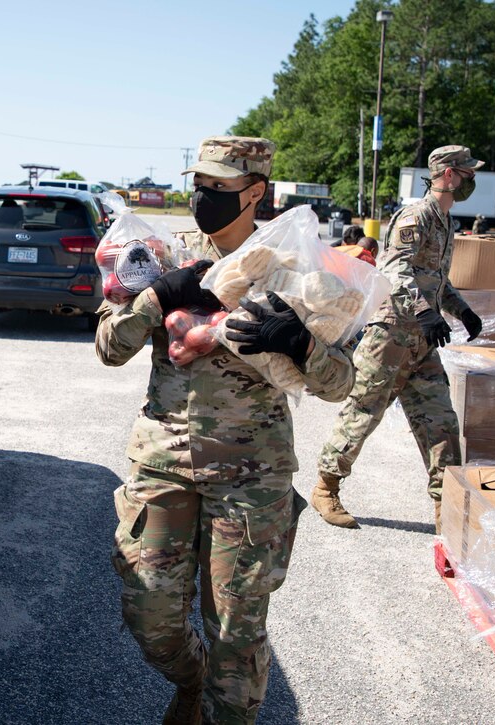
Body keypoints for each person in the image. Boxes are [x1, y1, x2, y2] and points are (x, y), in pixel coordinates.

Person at [97, 136, 355, 724]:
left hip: (250, 475)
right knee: (150, 618)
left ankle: (219, 708)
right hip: (162, 464)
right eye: (199, 187)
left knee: (238, 631)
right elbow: (109, 349)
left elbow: (341, 382)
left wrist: (298, 341)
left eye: (219, 189)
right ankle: (192, 683)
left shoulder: (299, 270)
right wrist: (155, 297)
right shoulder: (159, 255)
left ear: (256, 192)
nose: (203, 198)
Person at [313, 145, 485, 532]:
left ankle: (447, 506)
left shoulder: (446, 221)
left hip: (423, 340)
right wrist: (425, 312)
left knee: (439, 421)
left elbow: (436, 280)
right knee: (364, 411)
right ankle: (326, 487)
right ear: (449, 174)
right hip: (391, 333)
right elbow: (395, 266)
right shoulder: (417, 215)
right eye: (467, 172)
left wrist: (462, 311)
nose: (471, 179)